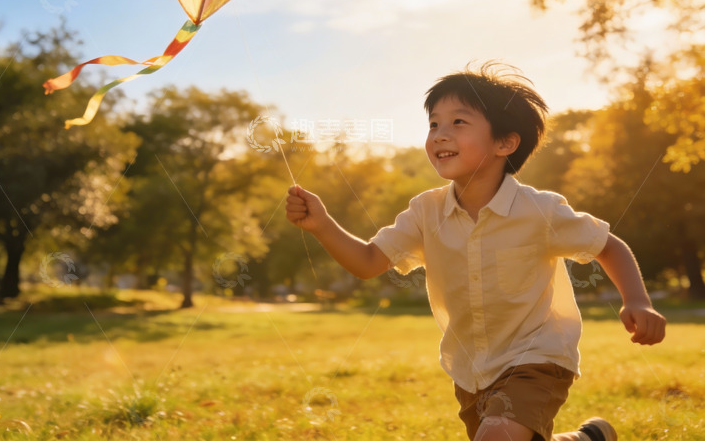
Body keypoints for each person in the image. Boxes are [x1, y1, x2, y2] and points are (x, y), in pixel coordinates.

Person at [285, 63, 666, 441]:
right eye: (434, 124)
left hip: (536, 358)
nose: (439, 135)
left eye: (458, 123)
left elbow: (607, 245)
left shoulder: (540, 210)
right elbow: (369, 262)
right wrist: (322, 225)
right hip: (471, 370)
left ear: (505, 143)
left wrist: (637, 300)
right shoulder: (425, 211)